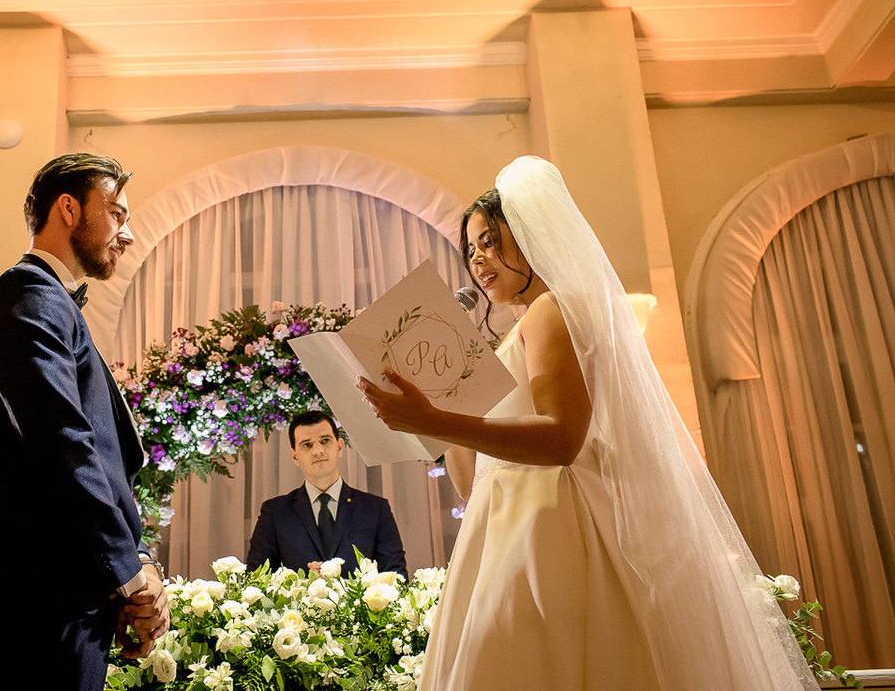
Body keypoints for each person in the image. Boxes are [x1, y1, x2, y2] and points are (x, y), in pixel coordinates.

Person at [358, 156, 816, 690]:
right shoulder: (508, 336)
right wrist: (434, 421)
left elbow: (562, 438)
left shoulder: (551, 310)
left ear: (528, 233)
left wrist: (438, 416)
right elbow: (472, 482)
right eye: (471, 249)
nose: (478, 260)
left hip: (551, 527)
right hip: (501, 528)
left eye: (489, 240)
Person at [0, 153, 169, 690]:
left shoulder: (48, 302)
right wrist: (131, 577)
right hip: (35, 595)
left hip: (60, 590)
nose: (127, 234)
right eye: (116, 214)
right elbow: (62, 448)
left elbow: (96, 458)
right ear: (68, 210)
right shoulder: (27, 298)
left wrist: (126, 569)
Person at [245, 411, 407, 577]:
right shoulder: (275, 512)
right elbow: (255, 578)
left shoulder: (375, 509)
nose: (318, 450)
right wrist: (300, 585)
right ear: (294, 456)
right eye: (307, 445)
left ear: (339, 447)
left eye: (325, 441)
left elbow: (396, 576)